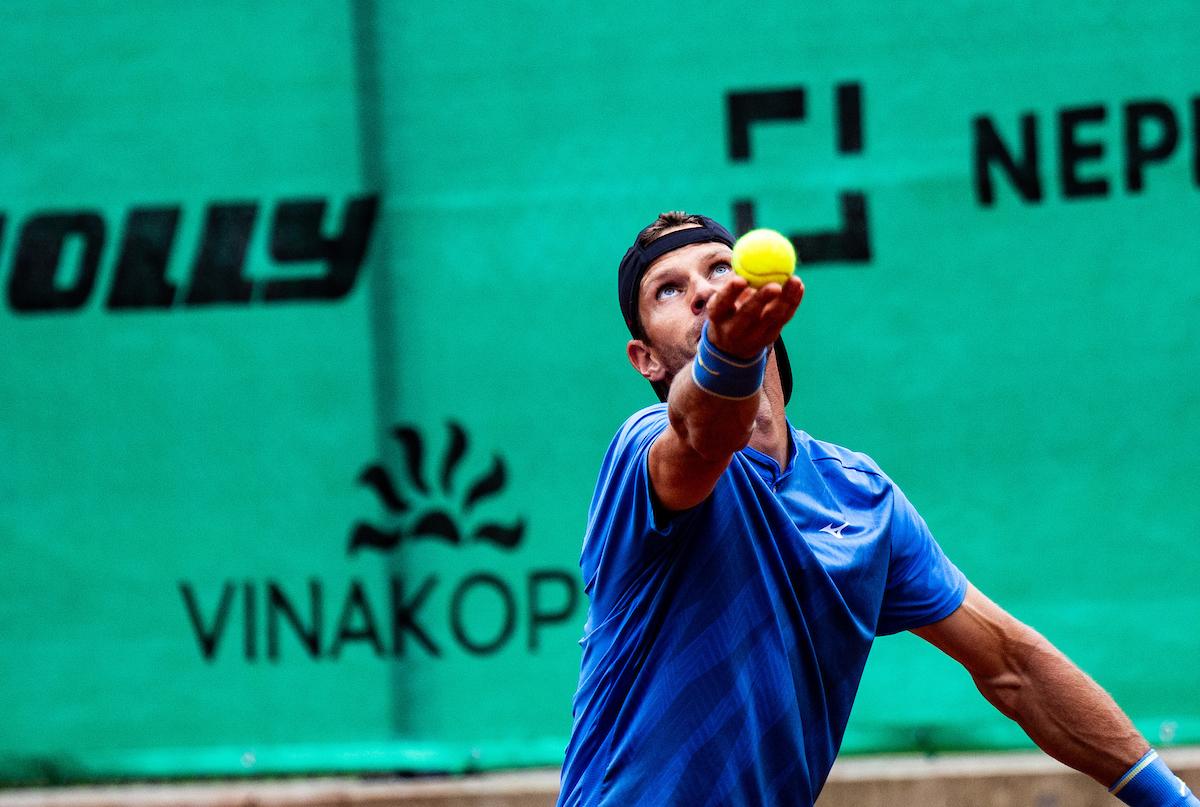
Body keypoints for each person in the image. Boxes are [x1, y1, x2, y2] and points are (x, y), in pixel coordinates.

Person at [556, 211, 1197, 806]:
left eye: (719, 267)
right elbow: (703, 437)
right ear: (644, 358)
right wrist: (731, 358)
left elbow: (1014, 667)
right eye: (668, 290)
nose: (702, 290)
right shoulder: (642, 452)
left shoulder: (861, 497)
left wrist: (1174, 801)